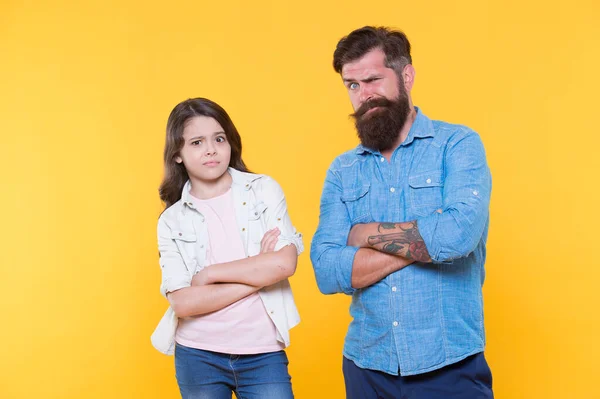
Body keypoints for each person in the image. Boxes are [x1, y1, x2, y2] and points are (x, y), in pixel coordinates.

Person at [310, 26, 493, 399]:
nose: (364, 95)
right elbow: (326, 269)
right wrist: (424, 242)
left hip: (449, 365)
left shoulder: (457, 145)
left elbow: (457, 235)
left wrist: (363, 235)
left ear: (406, 75)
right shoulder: (342, 170)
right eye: (353, 85)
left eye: (374, 79)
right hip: (366, 368)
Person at [151, 97, 303, 399]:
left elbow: (285, 265)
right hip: (198, 355)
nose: (210, 149)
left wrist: (210, 275)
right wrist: (259, 269)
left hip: (262, 352)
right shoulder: (171, 220)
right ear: (178, 154)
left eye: (219, 139)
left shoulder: (262, 190)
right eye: (196, 142)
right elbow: (182, 303)